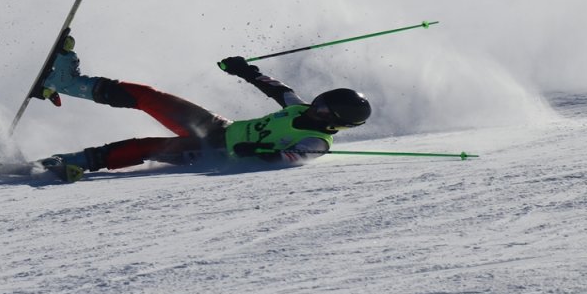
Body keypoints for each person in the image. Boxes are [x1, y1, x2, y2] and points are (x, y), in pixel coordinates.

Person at [33, 35, 371, 182]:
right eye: (321, 101)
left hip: (215, 151)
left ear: (336, 124)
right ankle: (66, 82)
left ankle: (72, 164)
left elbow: (286, 160)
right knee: (151, 97)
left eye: (326, 112)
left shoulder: (317, 143)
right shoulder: (301, 110)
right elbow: (276, 89)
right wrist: (244, 69)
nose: (317, 109)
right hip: (218, 127)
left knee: (147, 147)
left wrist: (255, 151)